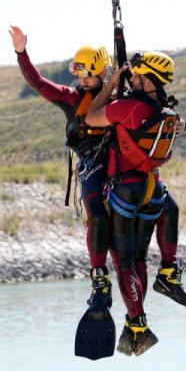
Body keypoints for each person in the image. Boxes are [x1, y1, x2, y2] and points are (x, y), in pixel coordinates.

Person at [9, 26, 116, 327]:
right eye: (80, 75)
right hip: (93, 164)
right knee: (96, 214)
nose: (83, 81)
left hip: (121, 159)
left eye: (89, 76)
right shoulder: (71, 98)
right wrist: (22, 53)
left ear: (104, 73)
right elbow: (38, 83)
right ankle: (99, 279)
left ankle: (169, 267)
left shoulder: (120, 93)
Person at [84, 51, 182, 356]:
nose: (132, 78)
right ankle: (168, 271)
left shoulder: (125, 108)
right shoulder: (167, 109)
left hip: (125, 192)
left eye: (136, 75)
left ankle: (137, 324)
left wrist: (112, 82)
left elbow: (91, 117)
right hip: (155, 191)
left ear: (147, 78)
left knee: (127, 261)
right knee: (142, 254)